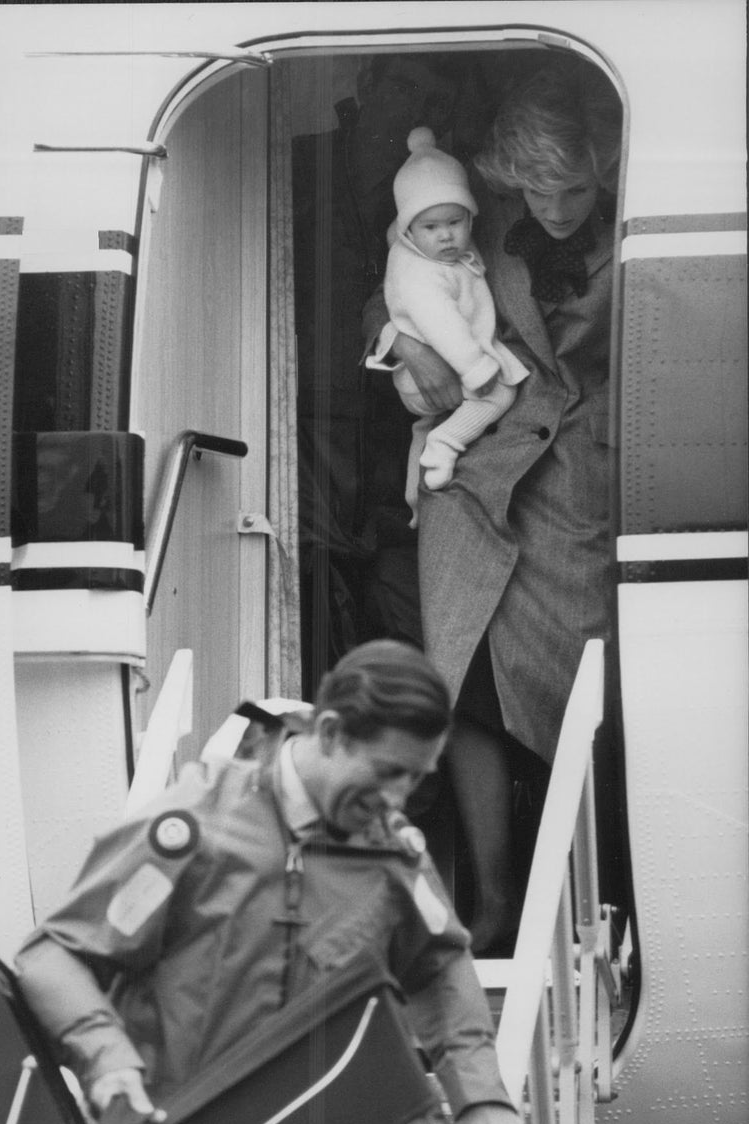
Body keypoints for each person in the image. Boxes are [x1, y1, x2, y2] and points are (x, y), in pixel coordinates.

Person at [14, 639, 526, 1124]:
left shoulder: (394, 857)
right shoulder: (192, 827)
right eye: (387, 771)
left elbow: (438, 968)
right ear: (329, 733)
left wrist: (478, 1097)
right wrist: (107, 1058)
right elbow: (56, 956)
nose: (397, 798)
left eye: (417, 778)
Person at [363, 62, 623, 953]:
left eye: (575, 188)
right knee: (464, 677)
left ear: (605, 166)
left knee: (577, 680)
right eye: (537, 189)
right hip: (476, 467)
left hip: (585, 474)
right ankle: (494, 902)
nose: (555, 209)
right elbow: (394, 277)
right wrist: (396, 337)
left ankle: (600, 891)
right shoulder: (485, 217)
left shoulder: (636, 219)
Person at [292, 54, 460, 689]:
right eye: (404, 87)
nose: (418, 109)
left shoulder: (440, 193)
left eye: (435, 99)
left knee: (409, 622)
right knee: (313, 618)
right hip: (306, 425)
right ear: (366, 86)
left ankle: (412, 783)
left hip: (401, 431)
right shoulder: (297, 167)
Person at [372, 125, 528, 526]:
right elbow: (441, 324)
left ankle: (415, 499)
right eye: (431, 228)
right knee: (500, 397)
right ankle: (448, 442)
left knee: (424, 427)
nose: (446, 236)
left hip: (432, 380)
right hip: (441, 368)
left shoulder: (437, 251)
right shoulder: (418, 272)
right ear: (408, 229)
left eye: (455, 223)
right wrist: (477, 367)